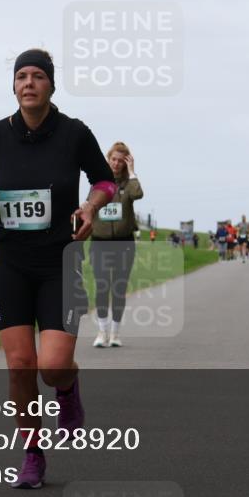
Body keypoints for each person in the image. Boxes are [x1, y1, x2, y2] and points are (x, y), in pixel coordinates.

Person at [0, 49, 116, 489]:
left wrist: (90, 206)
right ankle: (31, 454)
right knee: (21, 365)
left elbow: (105, 180)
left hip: (60, 263)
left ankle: (68, 388)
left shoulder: (74, 133)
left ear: (50, 85)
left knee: (52, 364)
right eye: (21, 76)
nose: (29, 83)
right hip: (9, 263)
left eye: (38, 76)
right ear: (13, 86)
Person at [90, 142, 143, 348]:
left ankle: (115, 333)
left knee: (118, 288)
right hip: (100, 243)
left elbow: (138, 194)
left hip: (124, 242)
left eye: (121, 161)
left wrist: (132, 172)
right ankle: (101, 332)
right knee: (102, 287)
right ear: (108, 158)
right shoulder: (98, 180)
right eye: (114, 159)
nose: (116, 163)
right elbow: (90, 205)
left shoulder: (128, 184)